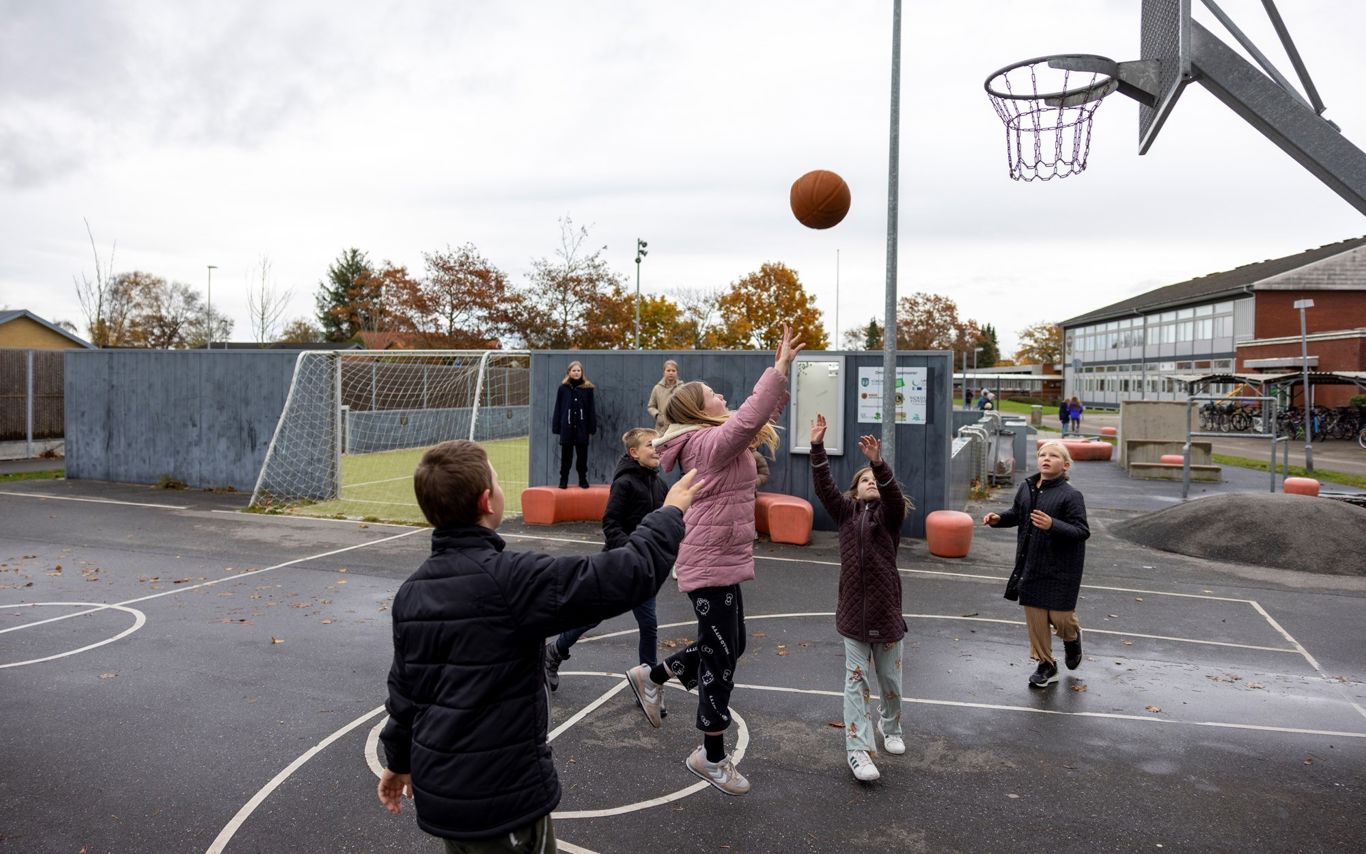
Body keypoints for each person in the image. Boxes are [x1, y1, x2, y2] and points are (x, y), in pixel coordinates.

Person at [377, 439, 702, 851]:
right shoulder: (512, 580)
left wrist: (398, 759)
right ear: (487, 500)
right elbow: (626, 575)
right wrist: (669, 514)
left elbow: (405, 691)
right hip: (503, 800)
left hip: (444, 798)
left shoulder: (411, 593)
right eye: (497, 480)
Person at [623, 324, 804, 796]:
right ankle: (711, 754)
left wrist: (781, 378)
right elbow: (747, 421)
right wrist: (776, 369)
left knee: (731, 643)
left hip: (721, 559)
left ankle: (653, 675)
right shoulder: (705, 445)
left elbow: (755, 418)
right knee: (721, 657)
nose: (723, 396)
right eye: (714, 395)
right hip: (708, 563)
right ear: (698, 411)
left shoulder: (715, 437)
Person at [809, 414, 913, 783]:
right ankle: (858, 749)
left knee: (890, 682)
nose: (871, 483)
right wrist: (817, 446)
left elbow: (894, 497)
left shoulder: (890, 517)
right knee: (856, 682)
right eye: (864, 480)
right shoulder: (845, 514)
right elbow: (824, 487)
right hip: (852, 615)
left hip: (886, 614)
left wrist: (878, 464)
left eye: (875, 480)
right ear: (854, 492)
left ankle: (891, 726)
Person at [544, 427, 668, 691]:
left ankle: (648, 683)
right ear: (634, 452)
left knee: (648, 624)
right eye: (650, 444)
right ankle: (554, 651)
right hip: (617, 563)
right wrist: (632, 549)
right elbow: (611, 523)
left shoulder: (660, 485)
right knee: (592, 616)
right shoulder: (625, 483)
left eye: (658, 443)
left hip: (644, 568)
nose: (657, 448)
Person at [981, 440, 1090, 689]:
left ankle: (1072, 638)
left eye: (1053, 456)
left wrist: (1052, 525)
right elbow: (1017, 514)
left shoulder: (1071, 495)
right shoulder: (1026, 487)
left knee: (1061, 618)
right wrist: (998, 519)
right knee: (1036, 619)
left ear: (1065, 465)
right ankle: (1046, 664)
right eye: (1042, 454)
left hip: (1062, 568)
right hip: (1031, 564)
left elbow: (1081, 531)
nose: (1046, 458)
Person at [552, 360, 596, 489]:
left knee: (582, 456)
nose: (576, 373)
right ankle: (563, 479)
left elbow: (591, 410)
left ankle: (582, 479)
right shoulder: (563, 389)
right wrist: (557, 426)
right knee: (566, 456)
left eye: (578, 370)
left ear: (582, 372)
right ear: (569, 372)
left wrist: (591, 427)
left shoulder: (587, 389)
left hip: (582, 428)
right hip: (567, 428)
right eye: (574, 370)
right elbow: (558, 408)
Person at [646, 359, 682, 433]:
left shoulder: (682, 388)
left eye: (673, 370)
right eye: (668, 370)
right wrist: (657, 415)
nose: (671, 373)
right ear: (663, 372)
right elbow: (651, 406)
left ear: (677, 372)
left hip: (677, 427)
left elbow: (687, 406)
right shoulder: (657, 388)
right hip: (661, 428)